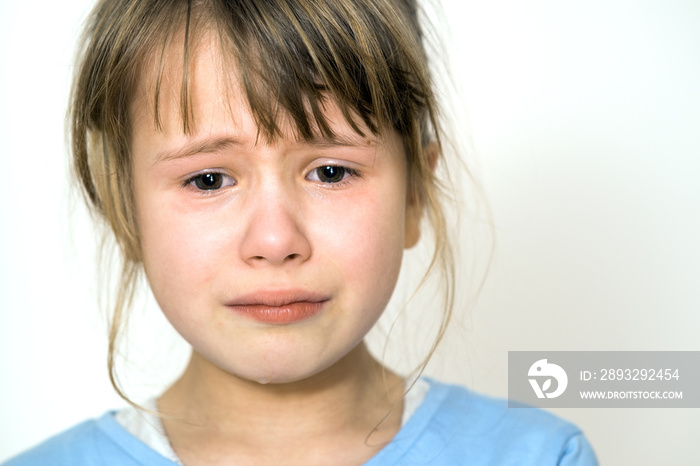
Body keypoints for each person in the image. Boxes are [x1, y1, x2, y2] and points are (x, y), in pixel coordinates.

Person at [4, 0, 597, 464]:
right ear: (122, 208)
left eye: (331, 171)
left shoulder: (541, 456)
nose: (274, 240)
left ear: (414, 193)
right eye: (208, 179)